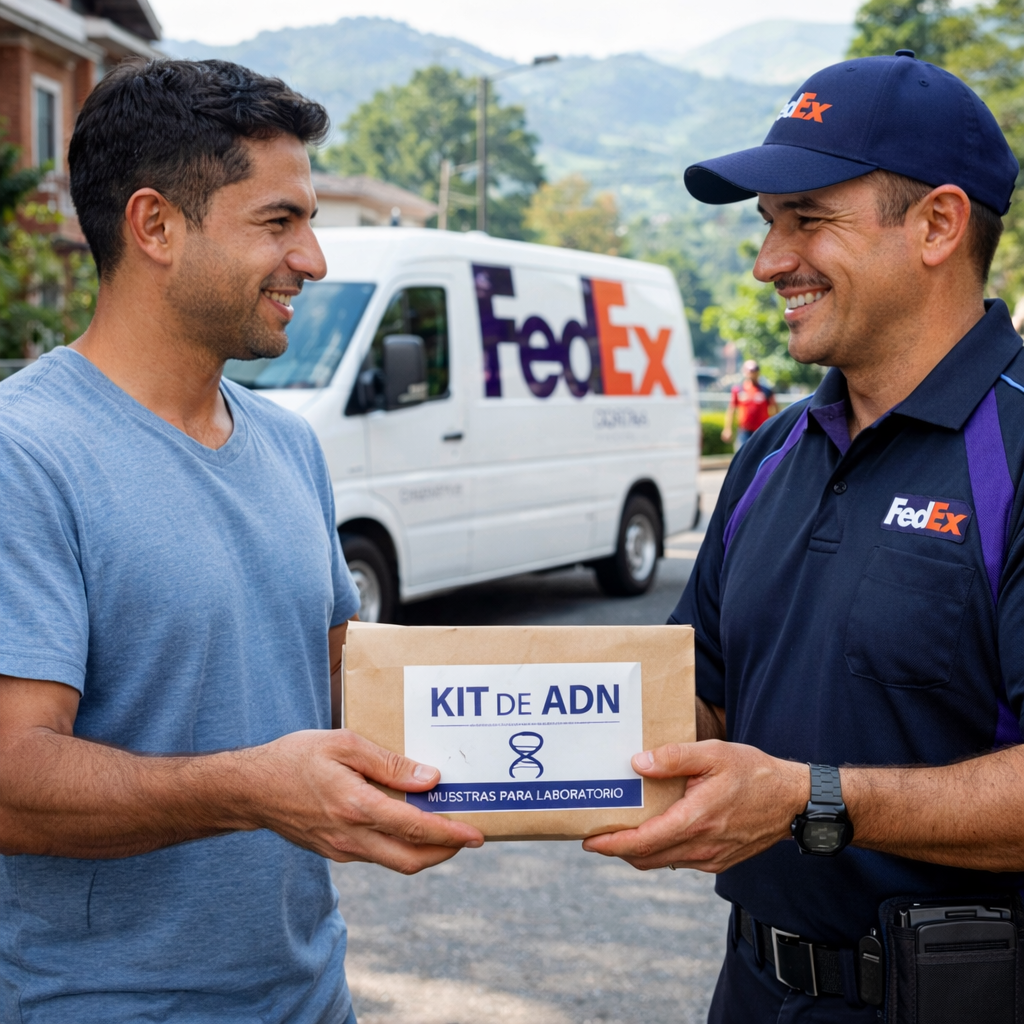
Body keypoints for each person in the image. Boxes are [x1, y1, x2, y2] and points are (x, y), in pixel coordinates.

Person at [0, 59, 483, 1024]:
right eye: (279, 221)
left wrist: (585, 741)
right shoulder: (25, 453)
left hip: (309, 995)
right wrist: (254, 790)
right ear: (156, 227)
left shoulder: (290, 445)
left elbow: (352, 683)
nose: (313, 258)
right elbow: (13, 782)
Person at [583, 51, 1024, 1021]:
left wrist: (808, 797)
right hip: (750, 989)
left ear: (937, 225)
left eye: (806, 220)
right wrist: (456, 757)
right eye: (767, 225)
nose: (767, 261)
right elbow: (690, 700)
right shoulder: (771, 452)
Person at [721, 359, 778, 448]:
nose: (752, 373)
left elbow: (776, 410)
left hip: (761, 430)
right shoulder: (738, 390)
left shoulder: (766, 390)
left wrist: (775, 427)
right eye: (750, 371)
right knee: (742, 456)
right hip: (744, 431)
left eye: (754, 370)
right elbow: (731, 410)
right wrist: (727, 429)